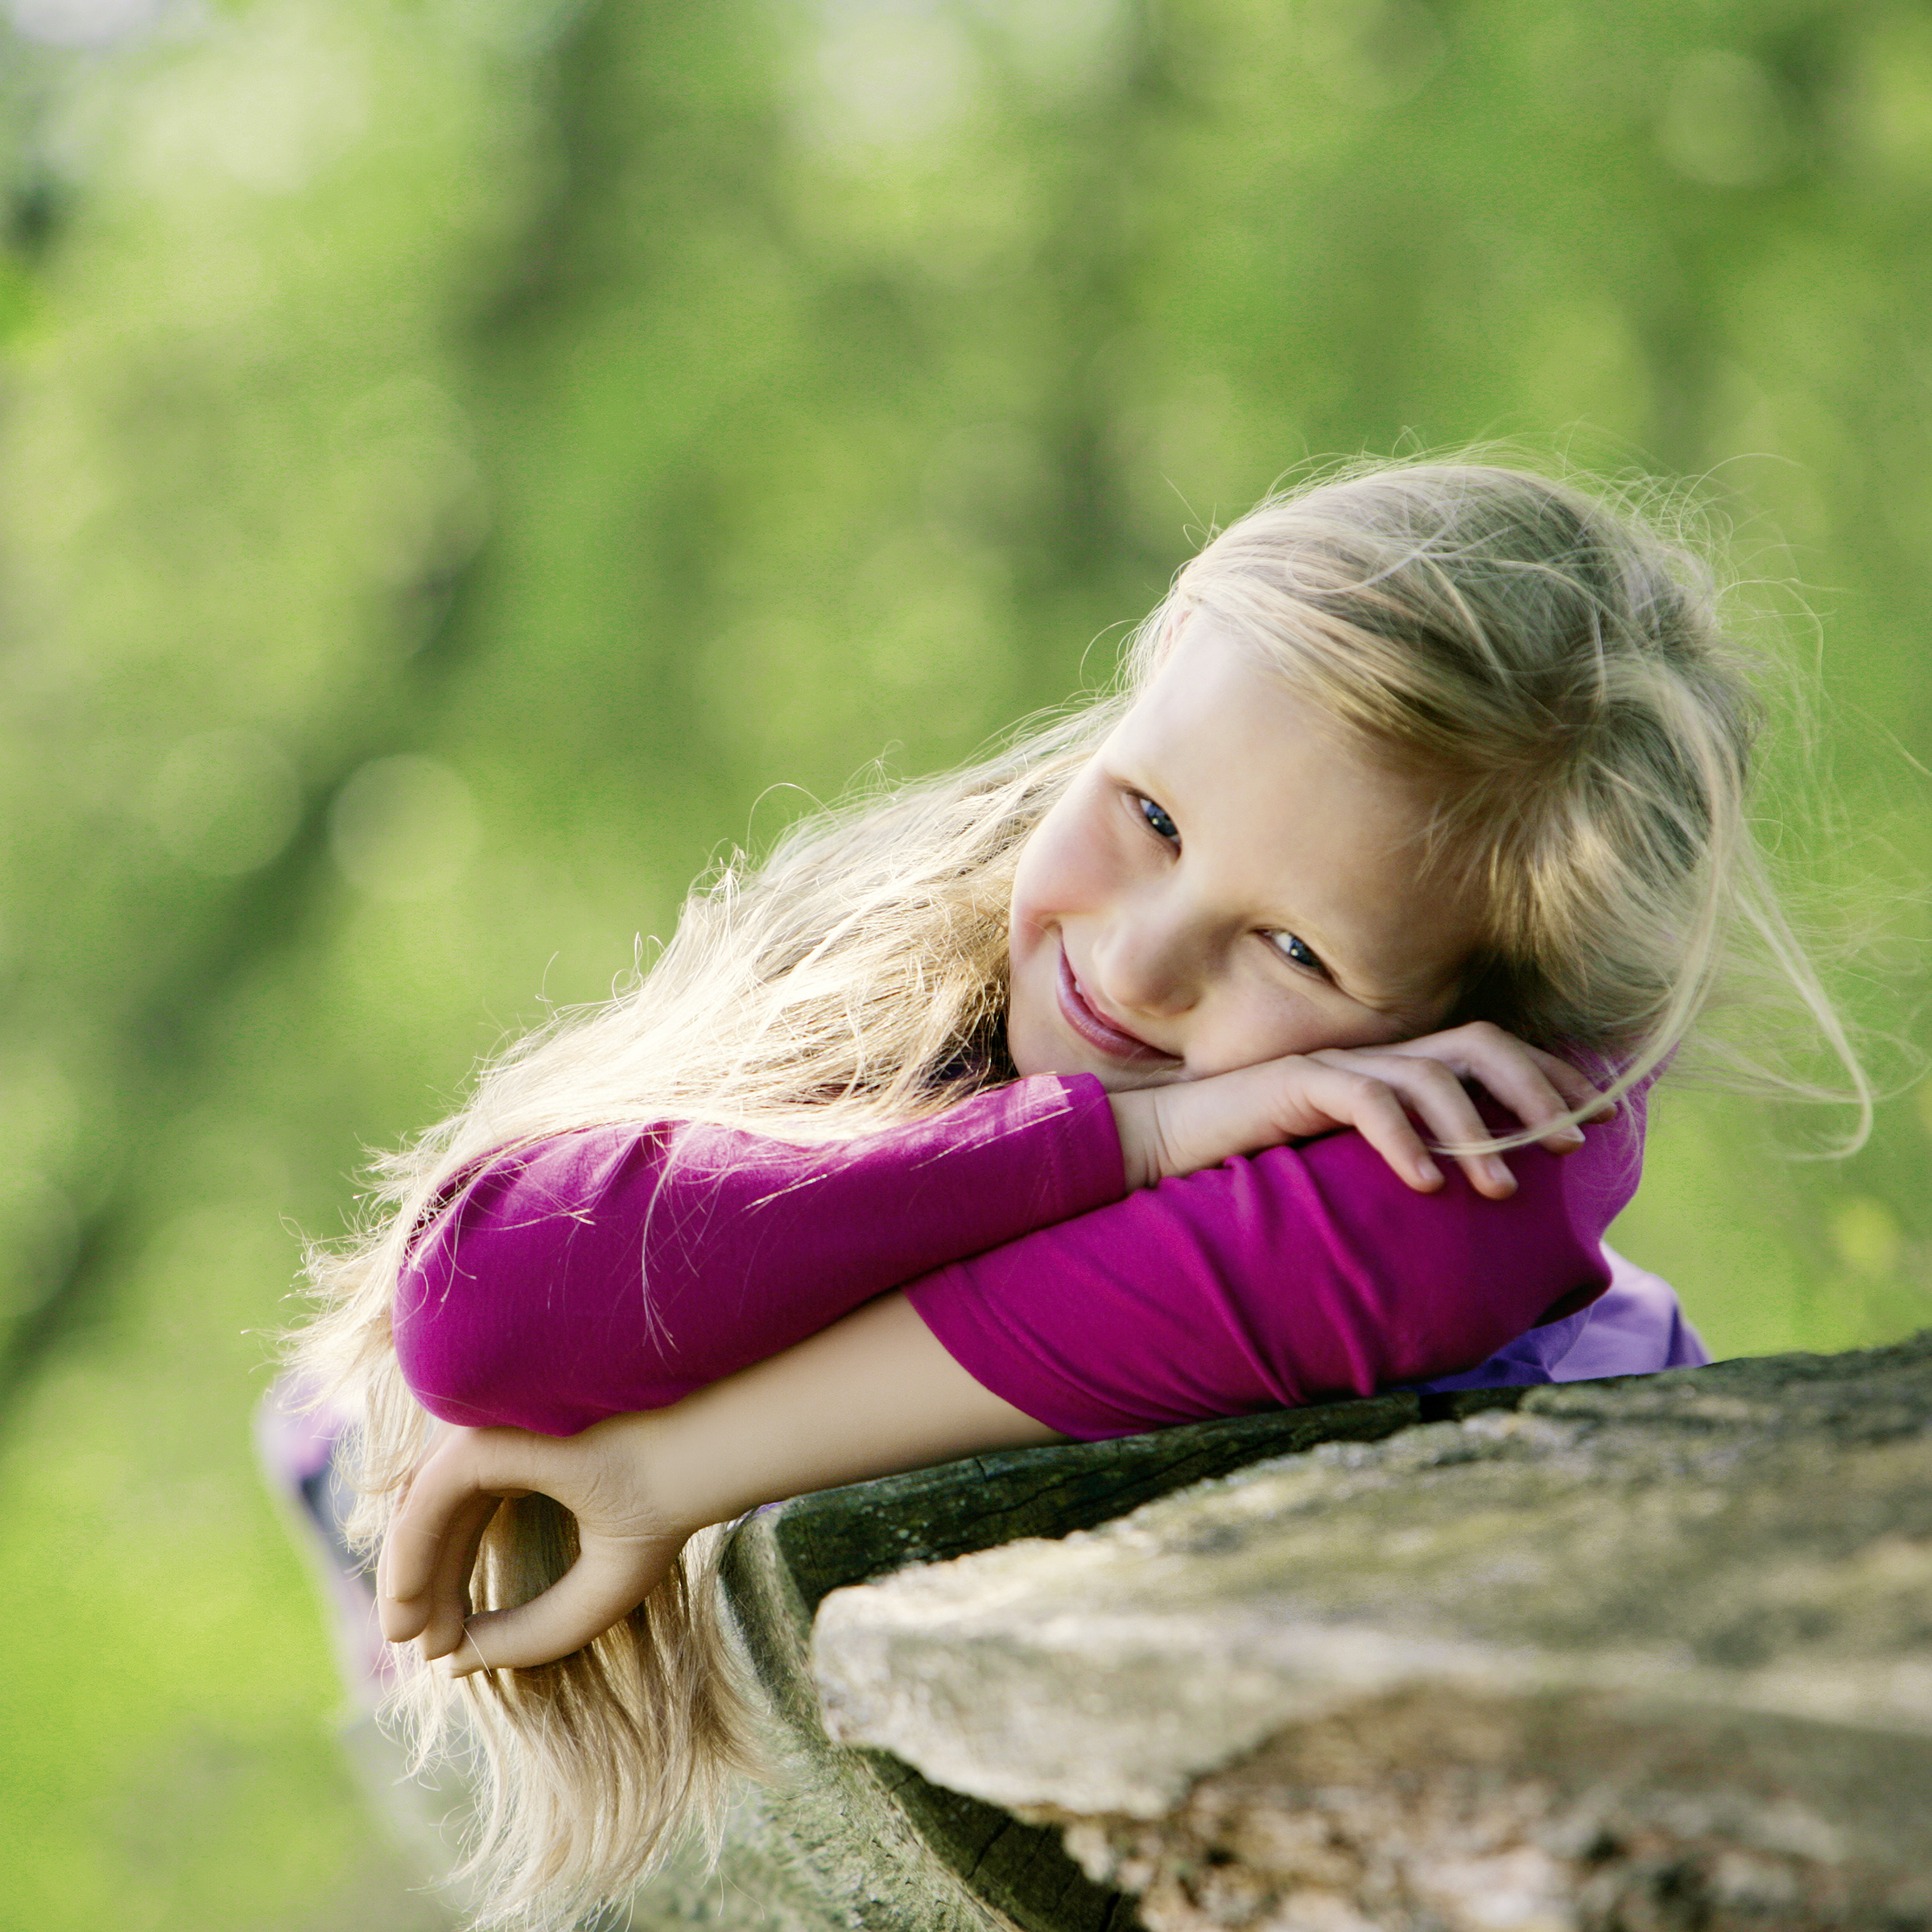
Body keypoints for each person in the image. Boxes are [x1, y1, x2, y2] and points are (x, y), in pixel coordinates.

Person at [284, 458, 1862, 1929]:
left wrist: (661, 1473)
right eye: (1151, 815)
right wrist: (1130, 1137)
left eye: (1297, 950)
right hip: (417, 1520)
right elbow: (487, 1310)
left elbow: (1484, 1218)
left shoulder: (1459, 1185)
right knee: (330, 1434)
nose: (1138, 962)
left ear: (1490, 1036)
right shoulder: (900, 964)